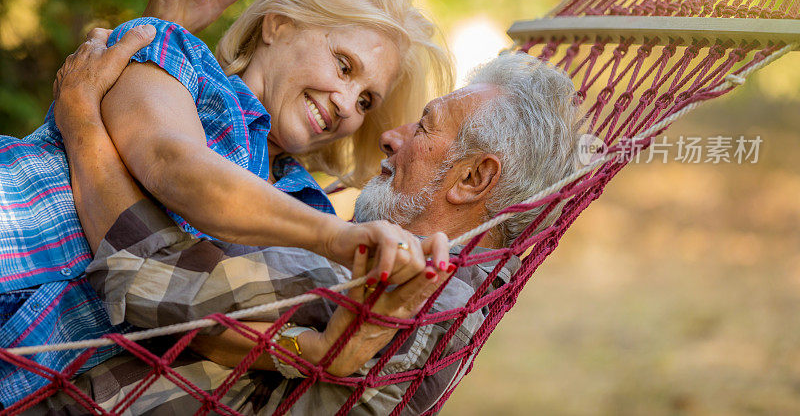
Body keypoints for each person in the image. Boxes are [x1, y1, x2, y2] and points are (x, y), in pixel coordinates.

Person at [25, 36, 581, 414]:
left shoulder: (401, 289)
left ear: (473, 179)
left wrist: (80, 117)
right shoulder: (450, 288)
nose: (391, 134)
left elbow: (146, 272)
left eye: (425, 126)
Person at [0, 0, 454, 408]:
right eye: (343, 66)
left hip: (27, 367)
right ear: (277, 25)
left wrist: (314, 349)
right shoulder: (174, 53)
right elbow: (171, 162)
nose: (347, 104)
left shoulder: (304, 206)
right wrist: (337, 237)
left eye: (367, 100)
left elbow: (207, 320)